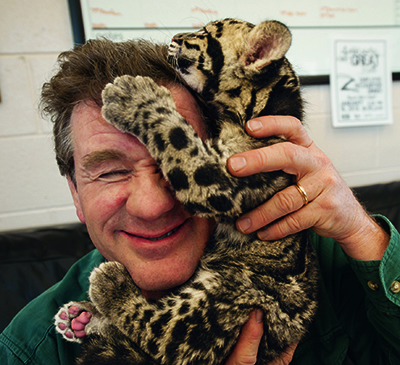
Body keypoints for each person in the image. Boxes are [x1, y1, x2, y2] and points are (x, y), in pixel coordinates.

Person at [0, 38, 399, 365]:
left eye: (173, 157)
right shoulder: (30, 348)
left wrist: (360, 229)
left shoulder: (318, 260)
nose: (152, 206)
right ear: (75, 194)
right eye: (110, 172)